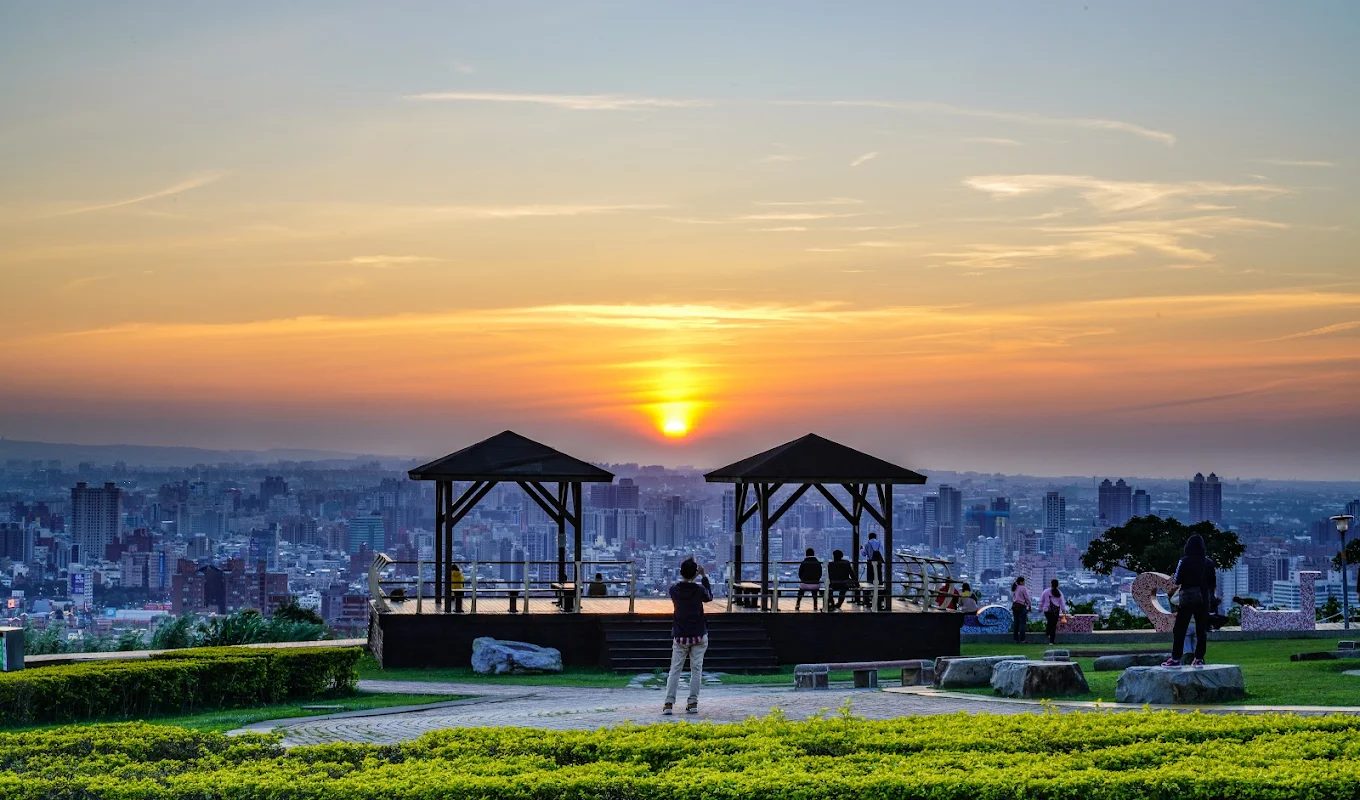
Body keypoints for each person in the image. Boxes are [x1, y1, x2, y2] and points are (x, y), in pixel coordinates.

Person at [663, 558, 712, 715]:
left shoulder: (674, 590)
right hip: (698, 634)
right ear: (695, 573)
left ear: (680, 572)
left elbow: (685, 586)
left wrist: (693, 577)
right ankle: (692, 703)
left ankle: (669, 703)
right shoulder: (699, 590)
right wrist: (702, 577)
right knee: (696, 669)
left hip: (680, 636)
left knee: (675, 670)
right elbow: (709, 596)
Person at [1163, 534, 1216, 668]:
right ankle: (1199, 658)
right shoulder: (1208, 562)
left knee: (1180, 628)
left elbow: (1177, 580)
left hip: (1187, 597)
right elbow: (1212, 583)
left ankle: (1175, 659)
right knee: (1201, 630)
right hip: (1203, 598)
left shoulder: (1184, 561)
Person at [1039, 579, 1067, 645]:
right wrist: (1064, 611)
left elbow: (1041, 601)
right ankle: (1051, 641)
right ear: (1058, 585)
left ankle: (1047, 633)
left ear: (1051, 584)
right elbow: (1062, 603)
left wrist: (1040, 609)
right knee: (1053, 625)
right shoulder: (1059, 593)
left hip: (1047, 610)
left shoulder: (1046, 591)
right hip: (1055, 611)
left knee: (1050, 622)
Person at [860, 532, 885, 606]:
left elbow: (864, 554)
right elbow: (882, 552)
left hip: (870, 563)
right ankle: (880, 598)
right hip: (879, 563)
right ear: (875, 537)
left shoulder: (867, 544)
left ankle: (869, 598)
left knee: (870, 579)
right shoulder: (880, 543)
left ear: (869, 537)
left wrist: (861, 549)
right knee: (879, 578)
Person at [1010, 576, 1031, 643]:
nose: (1024, 582)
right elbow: (1027, 598)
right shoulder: (1023, 588)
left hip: (1014, 606)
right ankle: (1022, 639)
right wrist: (1029, 605)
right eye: (1024, 581)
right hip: (1021, 606)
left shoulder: (1014, 587)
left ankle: (1015, 639)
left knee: (1016, 623)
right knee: (1022, 623)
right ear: (1021, 582)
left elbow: (1013, 597)